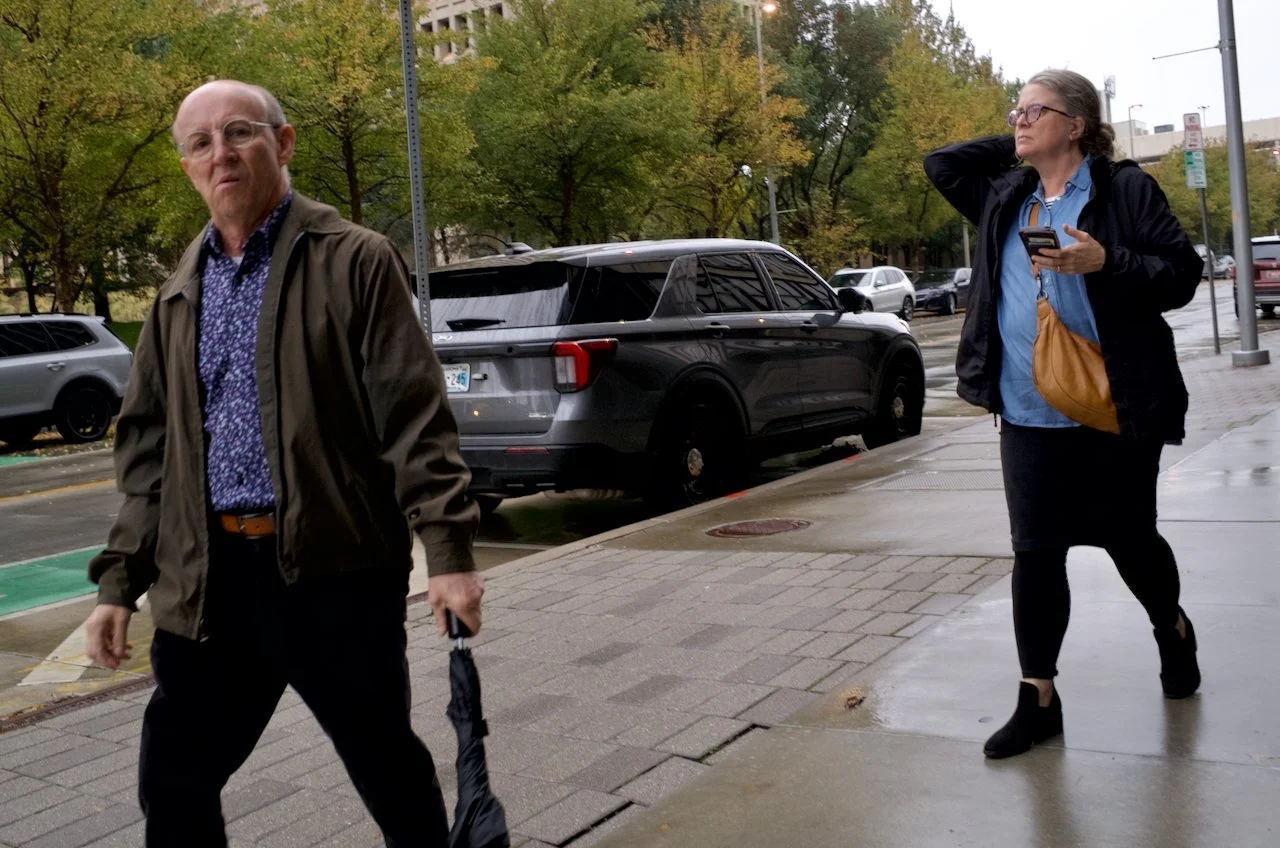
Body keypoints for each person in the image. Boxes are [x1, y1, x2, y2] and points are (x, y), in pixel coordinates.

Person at [82, 80, 483, 845]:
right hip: (208, 584)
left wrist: (449, 555)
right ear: (187, 167)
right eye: (200, 143)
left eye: (239, 132)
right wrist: (119, 584)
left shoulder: (356, 261)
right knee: (172, 778)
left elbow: (414, 420)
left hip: (332, 576)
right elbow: (147, 455)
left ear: (284, 142)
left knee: (386, 767)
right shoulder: (177, 295)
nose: (221, 153)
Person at [924, 69, 1203, 760]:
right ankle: (1038, 697)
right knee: (1036, 553)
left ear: (1076, 124)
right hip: (1025, 410)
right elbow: (942, 163)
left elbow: (1181, 276)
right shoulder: (1006, 196)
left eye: (1034, 112)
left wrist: (1107, 261)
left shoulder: (1125, 190)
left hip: (1113, 405)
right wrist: (1027, 134)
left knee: (1130, 539)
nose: (1018, 120)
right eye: (1014, 112)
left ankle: (1170, 626)